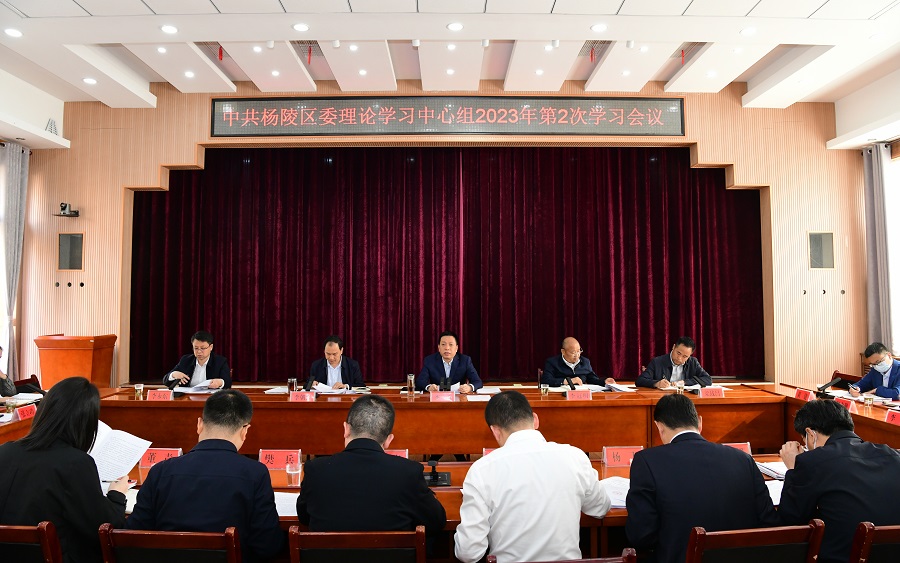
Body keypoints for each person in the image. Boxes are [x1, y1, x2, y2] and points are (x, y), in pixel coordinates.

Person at [127, 389, 283, 562]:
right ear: (244, 431)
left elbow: (134, 535)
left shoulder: (160, 471)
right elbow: (267, 546)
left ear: (199, 424)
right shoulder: (255, 473)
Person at [454, 391, 611, 563]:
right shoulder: (575, 456)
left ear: (495, 431)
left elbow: (469, 552)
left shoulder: (482, 470)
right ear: (535, 419)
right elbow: (600, 508)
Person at [625, 394, 777, 563]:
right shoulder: (743, 459)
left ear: (659, 426)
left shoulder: (646, 461)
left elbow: (641, 535)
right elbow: (768, 522)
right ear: (699, 422)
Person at [0, 377, 130, 563]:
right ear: (85, 423)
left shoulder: (5, 451)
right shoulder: (75, 463)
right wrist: (117, 495)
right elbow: (104, 528)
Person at [297, 394, 446, 535]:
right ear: (388, 440)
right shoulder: (408, 472)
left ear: (346, 429)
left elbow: (304, 517)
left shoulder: (316, 469)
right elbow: (436, 521)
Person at [777, 399, 900, 563]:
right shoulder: (894, 455)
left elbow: (790, 522)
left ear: (811, 434)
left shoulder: (812, 461)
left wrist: (794, 469)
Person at [416, 330, 482, 393]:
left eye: (451, 344)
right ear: (439, 347)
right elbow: (420, 382)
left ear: (456, 348)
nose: (447, 348)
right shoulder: (430, 360)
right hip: (437, 397)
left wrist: (469, 387)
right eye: (443, 344)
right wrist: (429, 387)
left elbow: (477, 382)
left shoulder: (465, 360)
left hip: (458, 397)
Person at [635, 336, 712, 388]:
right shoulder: (657, 362)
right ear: (673, 347)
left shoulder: (693, 362)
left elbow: (708, 379)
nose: (679, 358)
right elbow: (640, 381)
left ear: (690, 355)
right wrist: (656, 383)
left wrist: (685, 382)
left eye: (685, 356)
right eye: (678, 353)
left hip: (685, 398)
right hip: (662, 398)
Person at [163, 330, 231, 389]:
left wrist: (220, 383)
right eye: (196, 348)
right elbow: (166, 381)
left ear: (211, 347)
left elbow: (228, 383)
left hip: (211, 397)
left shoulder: (220, 361)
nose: (199, 351)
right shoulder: (186, 360)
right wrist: (173, 375)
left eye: (203, 348)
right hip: (188, 397)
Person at [540, 337, 616, 387]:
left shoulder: (585, 362)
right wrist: (568, 381)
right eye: (573, 352)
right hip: (560, 395)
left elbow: (592, 379)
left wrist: (604, 381)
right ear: (563, 351)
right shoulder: (552, 362)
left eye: (579, 351)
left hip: (580, 395)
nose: (577, 355)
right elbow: (546, 381)